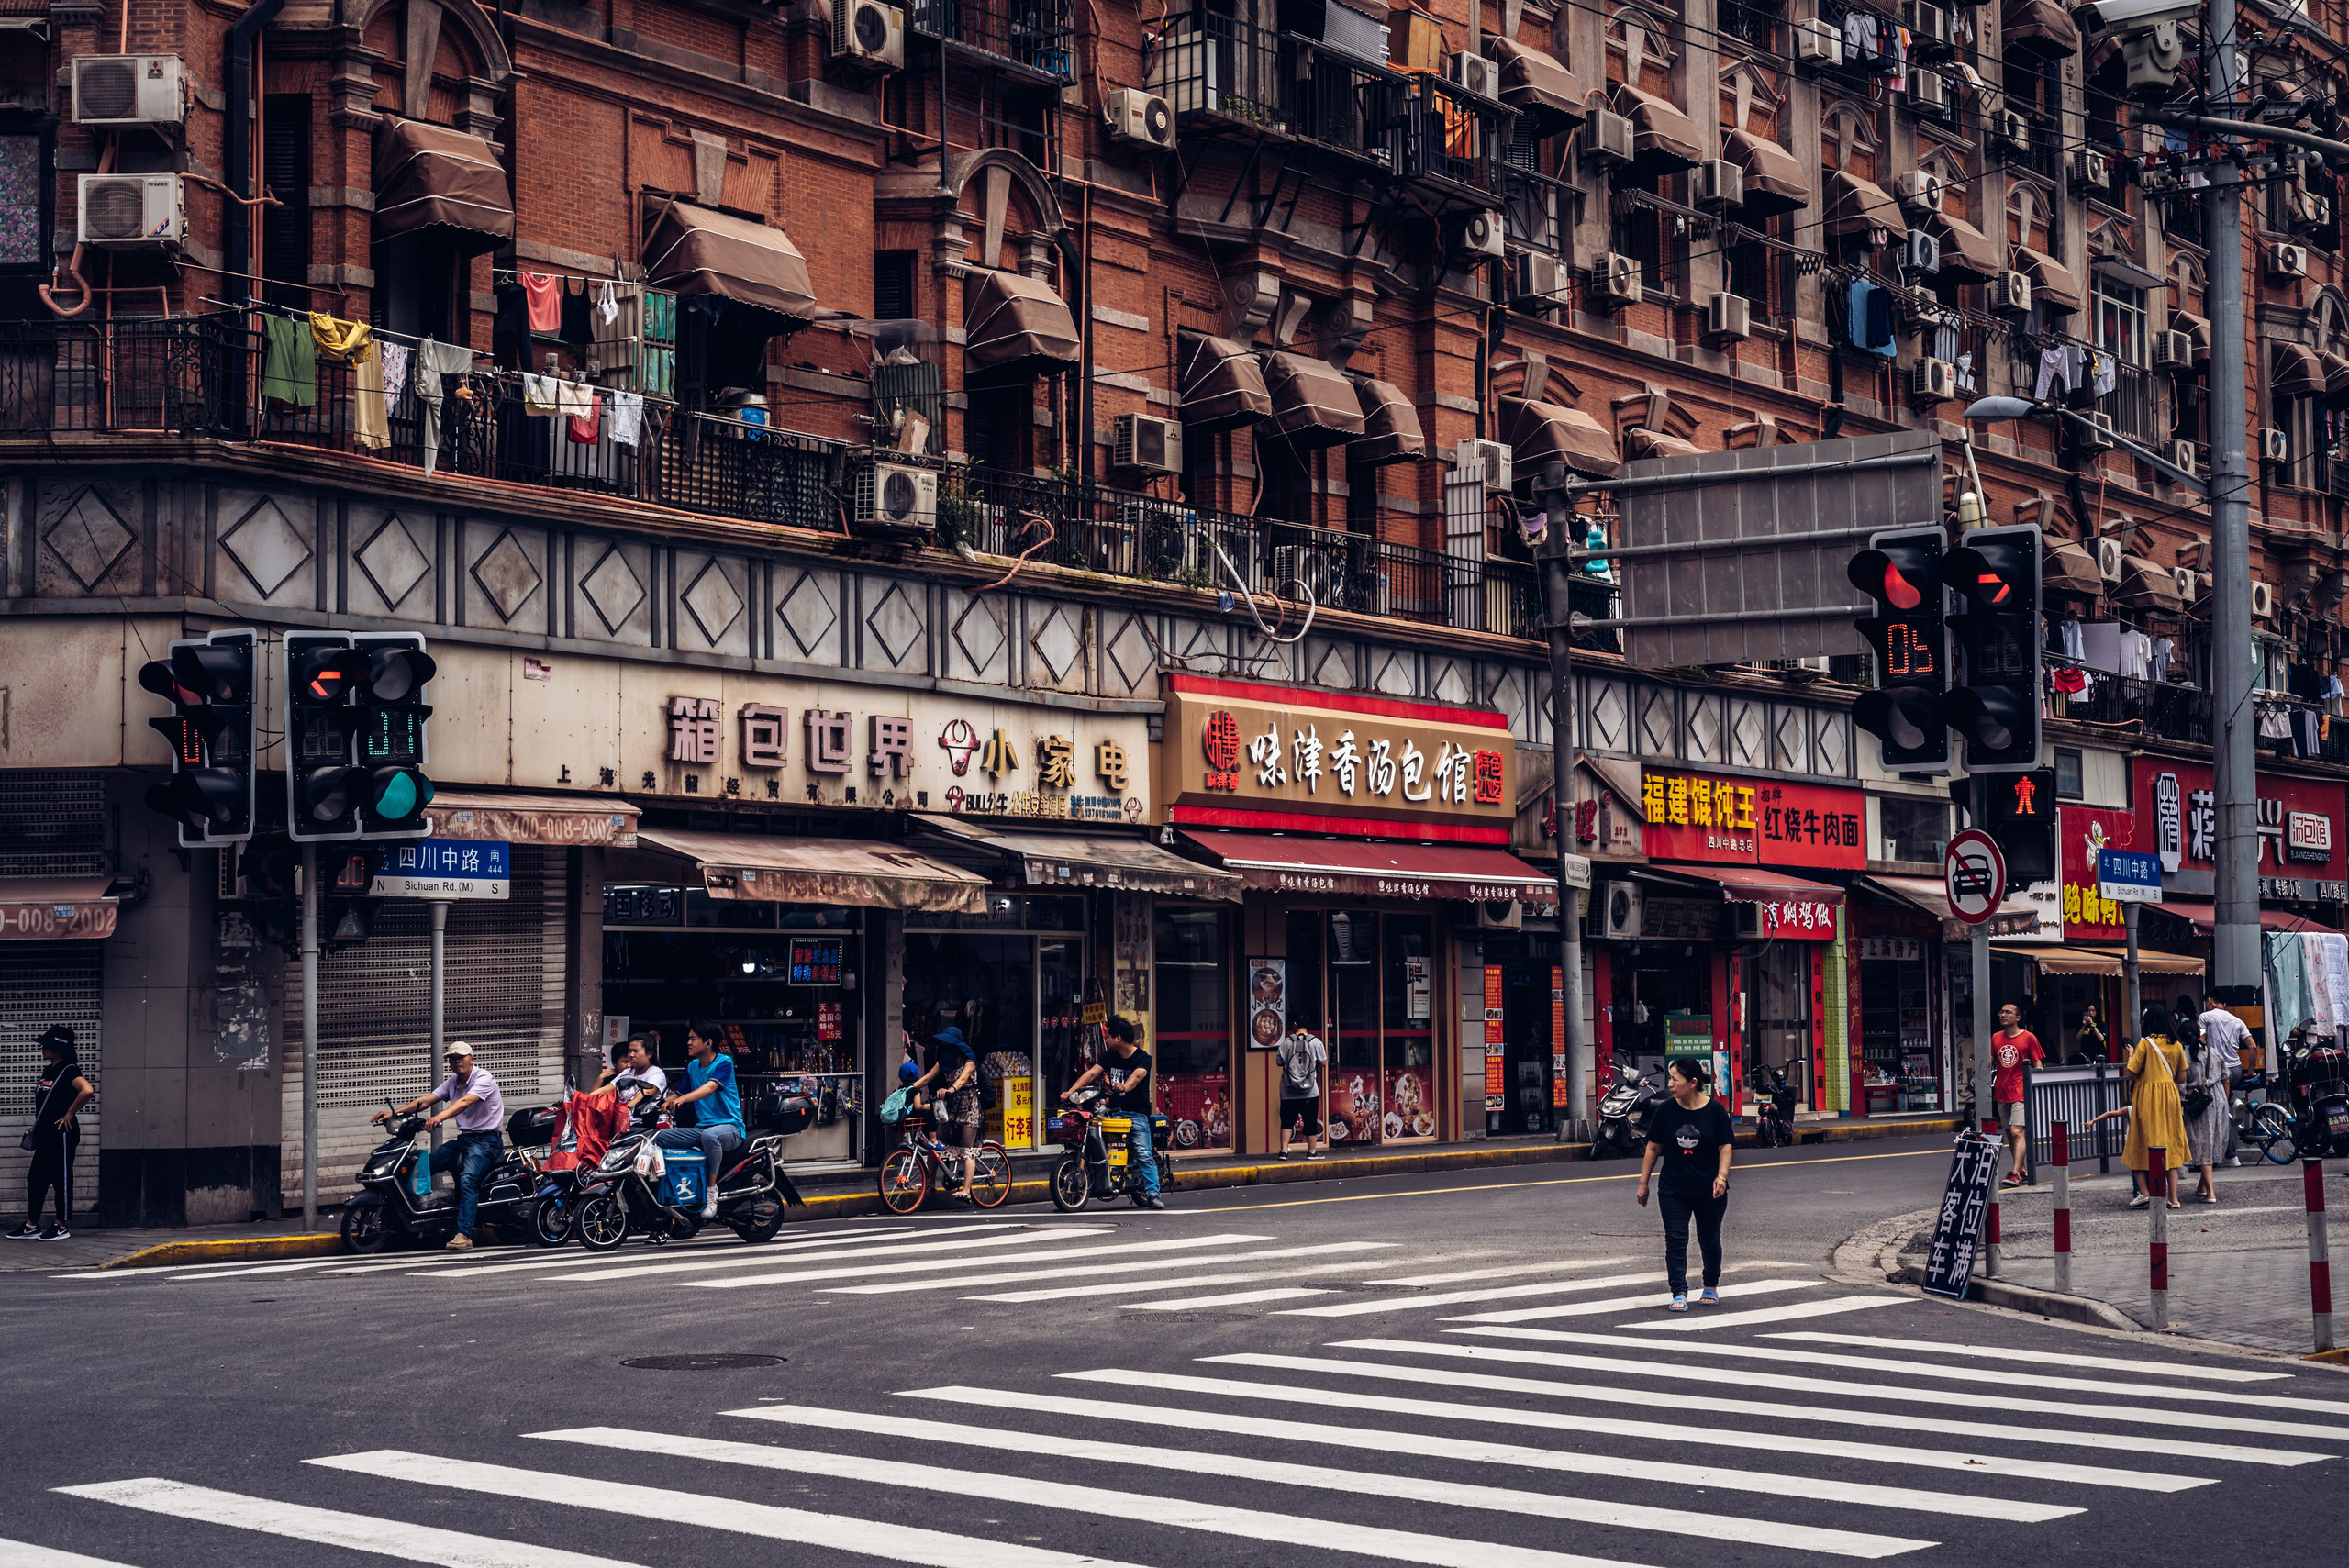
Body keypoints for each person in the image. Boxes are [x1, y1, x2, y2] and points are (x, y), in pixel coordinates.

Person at [373, 1042, 505, 1249]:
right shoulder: (453, 1082)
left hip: (487, 1142)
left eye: (460, 1057)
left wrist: (439, 1117)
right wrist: (394, 1113)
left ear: (472, 1058)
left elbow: (464, 1103)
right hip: (466, 1140)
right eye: (452, 1058)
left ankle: (463, 1235)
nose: (456, 1061)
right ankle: (411, 1218)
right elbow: (425, 1100)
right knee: (421, 1165)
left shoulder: (483, 1079)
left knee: (468, 1179)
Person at [1634, 1056, 1734, 1312]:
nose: (1670, 1084)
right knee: (1676, 1239)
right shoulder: (1666, 1110)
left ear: (1692, 1083)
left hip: (1709, 1189)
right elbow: (1654, 1147)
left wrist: (1721, 1177)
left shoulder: (1715, 1111)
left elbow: (1725, 1146)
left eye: (1675, 1079)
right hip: (1673, 1188)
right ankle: (1678, 1291)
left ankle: (1710, 1284)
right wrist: (1643, 1183)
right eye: (1670, 1078)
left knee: (1709, 1238)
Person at [1067, 1015, 1163, 1208]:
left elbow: (1137, 1076)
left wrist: (1125, 1087)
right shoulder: (1110, 1056)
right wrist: (1070, 1091)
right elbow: (1092, 1073)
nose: (1106, 1039)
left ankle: (1153, 1193)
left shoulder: (1143, 1058)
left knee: (1143, 1153)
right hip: (1113, 1112)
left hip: (1136, 1114)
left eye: (1108, 1035)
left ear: (1118, 1037)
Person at [8, 1026, 93, 1241]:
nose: (43, 1048)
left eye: (48, 1045)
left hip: (62, 1134)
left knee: (61, 1180)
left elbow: (87, 1090)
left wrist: (70, 1113)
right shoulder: (49, 1070)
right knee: (35, 1178)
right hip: (45, 1135)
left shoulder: (69, 1069)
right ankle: (31, 1225)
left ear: (59, 1048)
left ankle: (61, 1225)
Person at [659, 1019, 745, 1219]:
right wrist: (661, 1101)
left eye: (693, 1039)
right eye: (689, 1039)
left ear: (708, 1042)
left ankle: (711, 1191)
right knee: (660, 1138)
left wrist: (681, 1099)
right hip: (703, 1128)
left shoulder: (724, 1063)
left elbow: (709, 1088)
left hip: (730, 1127)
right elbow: (679, 1093)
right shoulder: (693, 1066)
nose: (688, 1043)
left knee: (710, 1136)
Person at [2122, 1004, 2190, 1209]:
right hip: (2170, 1096)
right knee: (2171, 1142)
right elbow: (2181, 1077)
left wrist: (2131, 1054)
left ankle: (2144, 1192)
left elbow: (2130, 1073)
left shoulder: (2145, 1044)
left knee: (2140, 1140)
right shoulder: (2176, 1044)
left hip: (2147, 1097)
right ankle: (2174, 1198)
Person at [907, 1025, 984, 1202]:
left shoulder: (969, 1061)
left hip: (970, 1105)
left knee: (967, 1149)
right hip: (951, 1106)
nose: (943, 1046)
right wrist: (907, 1090)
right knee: (935, 1144)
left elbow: (963, 1079)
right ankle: (931, 1181)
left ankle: (966, 1190)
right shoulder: (943, 1062)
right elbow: (926, 1078)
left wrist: (950, 1089)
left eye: (946, 1043)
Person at [1991, 1003, 2044, 1187]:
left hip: (2021, 1091)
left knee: (2016, 1132)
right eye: (2001, 1012)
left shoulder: (2029, 1038)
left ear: (2018, 1017)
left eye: (2008, 1012)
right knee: (2009, 1133)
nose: (2003, 1015)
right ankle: (2022, 1171)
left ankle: (2014, 1173)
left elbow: (2038, 1065)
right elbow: (1991, 1062)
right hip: (2001, 1091)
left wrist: (2035, 1088)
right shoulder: (1996, 1038)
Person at [2196, 993, 2251, 1165]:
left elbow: (2201, 1041)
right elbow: (2253, 1046)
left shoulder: (2205, 1017)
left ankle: (2232, 1156)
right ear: (2224, 1004)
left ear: (2209, 1001)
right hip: (2236, 1068)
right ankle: (2234, 1100)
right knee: (2224, 1100)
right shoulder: (2238, 1021)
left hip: (2217, 1068)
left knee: (2220, 1107)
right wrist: (2251, 1071)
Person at [2182, 1025, 2232, 1204]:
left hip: (2198, 1103)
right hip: (2217, 1099)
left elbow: (2181, 1086)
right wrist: (2224, 1102)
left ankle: (2211, 1192)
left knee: (2203, 1144)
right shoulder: (2214, 1053)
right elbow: (2226, 1078)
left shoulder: (2184, 1057)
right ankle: (2202, 1186)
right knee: (2212, 1142)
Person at [1277, 1014, 1328, 1161]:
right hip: (1310, 1091)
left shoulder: (1286, 1042)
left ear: (1294, 1024)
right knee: (1310, 1120)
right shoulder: (1316, 1042)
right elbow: (1324, 1062)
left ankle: (1283, 1151)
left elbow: (1279, 1062)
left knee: (1287, 1120)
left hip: (1288, 1090)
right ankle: (1312, 1152)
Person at [599, 1035, 667, 1112]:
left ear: (649, 1054)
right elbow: (606, 1089)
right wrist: (584, 1098)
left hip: (647, 1122)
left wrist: (625, 1107)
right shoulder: (627, 1072)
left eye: (636, 1051)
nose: (631, 1055)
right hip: (623, 1119)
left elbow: (647, 1092)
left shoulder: (656, 1073)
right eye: (629, 1051)